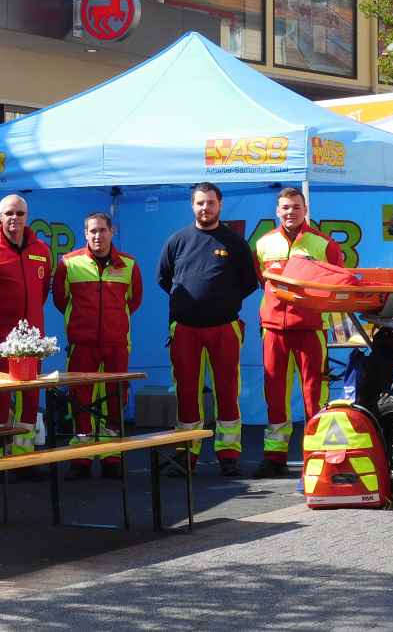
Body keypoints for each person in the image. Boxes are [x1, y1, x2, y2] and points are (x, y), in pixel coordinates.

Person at [157, 182, 258, 477]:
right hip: (186, 329)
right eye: (200, 203)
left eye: (210, 203)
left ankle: (229, 455)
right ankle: (186, 454)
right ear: (192, 206)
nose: (205, 208)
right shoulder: (177, 241)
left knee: (227, 391)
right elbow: (164, 279)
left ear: (220, 205)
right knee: (187, 393)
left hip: (224, 328)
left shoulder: (234, 242)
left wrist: (222, 301)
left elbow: (249, 282)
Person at [253, 187, 344, 478]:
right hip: (273, 329)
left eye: (295, 207)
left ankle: (316, 456)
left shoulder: (324, 244)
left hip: (310, 328)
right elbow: (261, 281)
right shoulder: (263, 244)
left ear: (305, 210)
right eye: (284, 208)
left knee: (313, 395)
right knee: (274, 394)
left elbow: (336, 284)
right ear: (277, 211)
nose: (290, 212)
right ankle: (275, 456)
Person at [53, 212, 143, 481]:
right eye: (92, 231)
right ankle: (81, 456)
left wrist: (113, 325)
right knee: (80, 400)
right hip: (82, 345)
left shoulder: (128, 264)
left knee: (116, 399)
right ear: (85, 233)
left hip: (116, 344)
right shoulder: (68, 263)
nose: (97, 236)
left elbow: (134, 301)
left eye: (102, 230)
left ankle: (112, 457)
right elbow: (61, 300)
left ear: (111, 232)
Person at [0, 194, 53, 469]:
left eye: (18, 213)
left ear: (26, 216)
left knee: (30, 399)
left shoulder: (42, 249)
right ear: (0, 217)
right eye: (8, 213)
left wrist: (28, 331)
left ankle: (24, 458)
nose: (13, 218)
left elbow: (41, 293)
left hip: (31, 344)